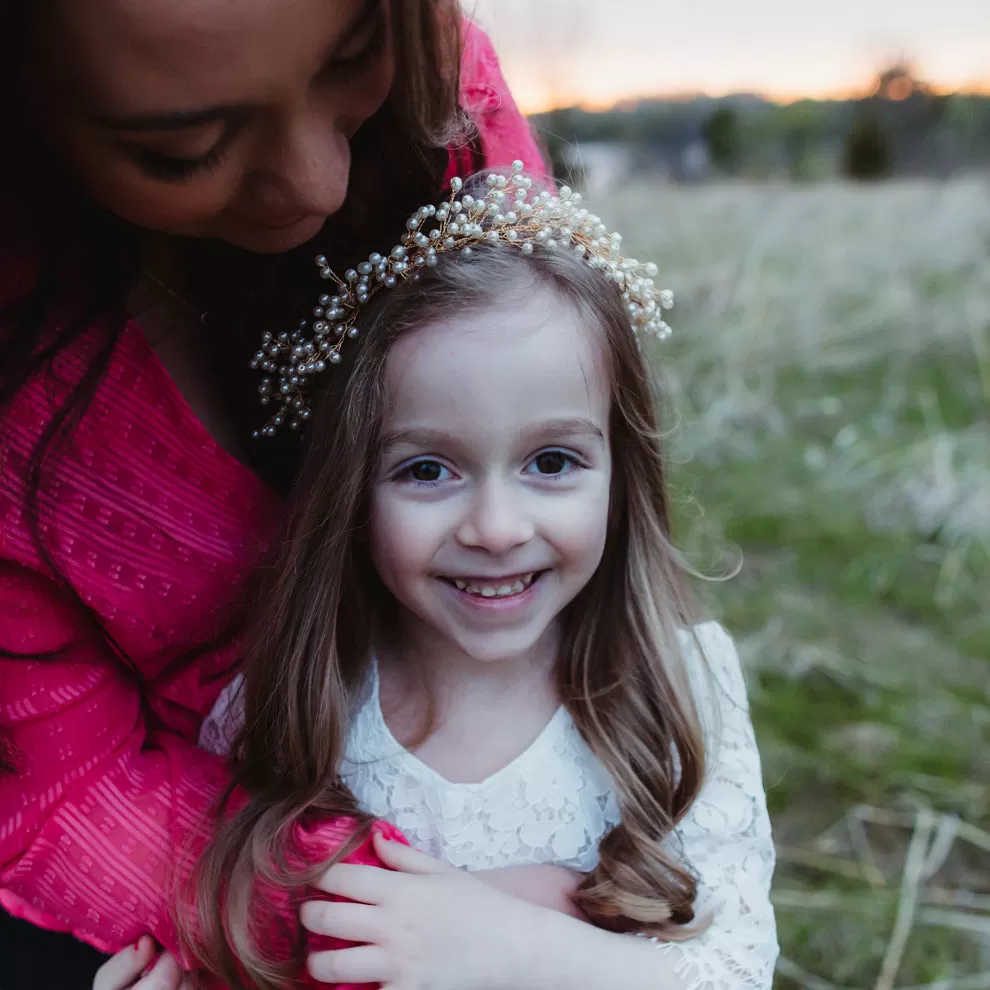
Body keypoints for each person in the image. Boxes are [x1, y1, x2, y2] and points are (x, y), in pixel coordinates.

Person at [121, 166, 778, 989]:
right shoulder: (289, 704)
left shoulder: (681, 684)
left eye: (551, 461)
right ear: (350, 491)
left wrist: (505, 947)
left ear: (622, 469)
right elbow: (241, 937)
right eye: (428, 470)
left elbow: (737, 971)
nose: (496, 529)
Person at [0, 0, 548, 985]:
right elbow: (61, 783)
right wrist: (378, 919)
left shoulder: (447, 106)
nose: (318, 182)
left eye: (352, 60)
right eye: (187, 149)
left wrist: (547, 934)